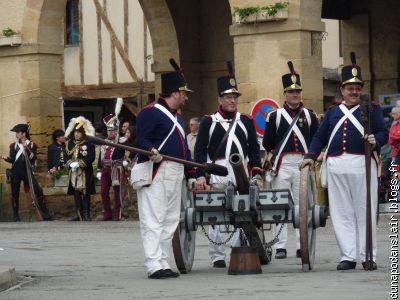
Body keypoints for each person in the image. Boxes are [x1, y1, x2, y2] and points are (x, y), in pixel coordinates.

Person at [299, 52, 388, 271]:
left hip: (362, 165)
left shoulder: (372, 109)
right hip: (337, 165)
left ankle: (368, 255)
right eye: (350, 88)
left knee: (364, 210)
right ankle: (347, 255)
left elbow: (383, 133)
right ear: (342, 90)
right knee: (341, 212)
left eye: (357, 87)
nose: (354, 91)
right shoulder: (332, 113)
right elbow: (320, 136)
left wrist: (375, 140)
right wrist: (310, 156)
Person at [194, 64, 263, 268]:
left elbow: (253, 150)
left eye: (235, 97)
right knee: (216, 212)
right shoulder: (209, 122)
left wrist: (257, 173)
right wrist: (200, 175)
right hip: (218, 172)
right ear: (219, 100)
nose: (232, 101)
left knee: (240, 211)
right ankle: (216, 255)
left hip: (240, 171)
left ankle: (236, 248)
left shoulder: (246, 121)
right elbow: (199, 150)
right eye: (228, 97)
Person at [134, 59, 195, 279]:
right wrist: (150, 149)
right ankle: (153, 264)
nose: (186, 98)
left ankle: (163, 261)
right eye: (184, 93)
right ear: (175, 93)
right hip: (156, 171)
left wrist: (191, 174)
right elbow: (140, 139)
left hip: (176, 171)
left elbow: (184, 149)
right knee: (153, 219)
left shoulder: (178, 117)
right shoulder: (150, 112)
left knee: (170, 220)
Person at [262, 62, 319, 259]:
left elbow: (315, 140)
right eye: (291, 92)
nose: (295, 95)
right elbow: (268, 143)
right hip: (282, 165)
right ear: (284, 93)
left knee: (302, 206)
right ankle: (280, 246)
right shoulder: (275, 116)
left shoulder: (310, 116)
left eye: (297, 91)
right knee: (279, 205)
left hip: (302, 163)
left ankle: (300, 244)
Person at [0, 124, 52, 221]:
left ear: (24, 134)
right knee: (14, 193)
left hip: (26, 170)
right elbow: (13, 159)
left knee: (38, 190)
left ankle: (45, 213)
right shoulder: (13, 145)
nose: (16, 134)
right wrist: (6, 158)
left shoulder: (32, 145)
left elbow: (33, 158)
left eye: (18, 132)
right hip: (15, 171)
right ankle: (16, 216)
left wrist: (26, 147)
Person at [65, 116, 96, 221]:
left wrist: (80, 164)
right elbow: (66, 156)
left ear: (83, 133)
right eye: (75, 132)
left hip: (85, 172)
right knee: (76, 193)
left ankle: (87, 214)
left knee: (85, 192)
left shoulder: (88, 144)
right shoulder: (70, 144)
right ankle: (79, 214)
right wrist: (70, 164)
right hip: (73, 172)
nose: (76, 134)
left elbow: (91, 157)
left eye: (78, 132)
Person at [98, 114, 126, 221]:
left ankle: (117, 214)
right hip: (105, 169)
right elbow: (101, 156)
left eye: (113, 131)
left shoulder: (121, 141)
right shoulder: (104, 142)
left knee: (117, 193)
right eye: (109, 131)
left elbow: (129, 149)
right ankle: (107, 213)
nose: (110, 132)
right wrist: (99, 170)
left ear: (116, 131)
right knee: (104, 192)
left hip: (115, 169)